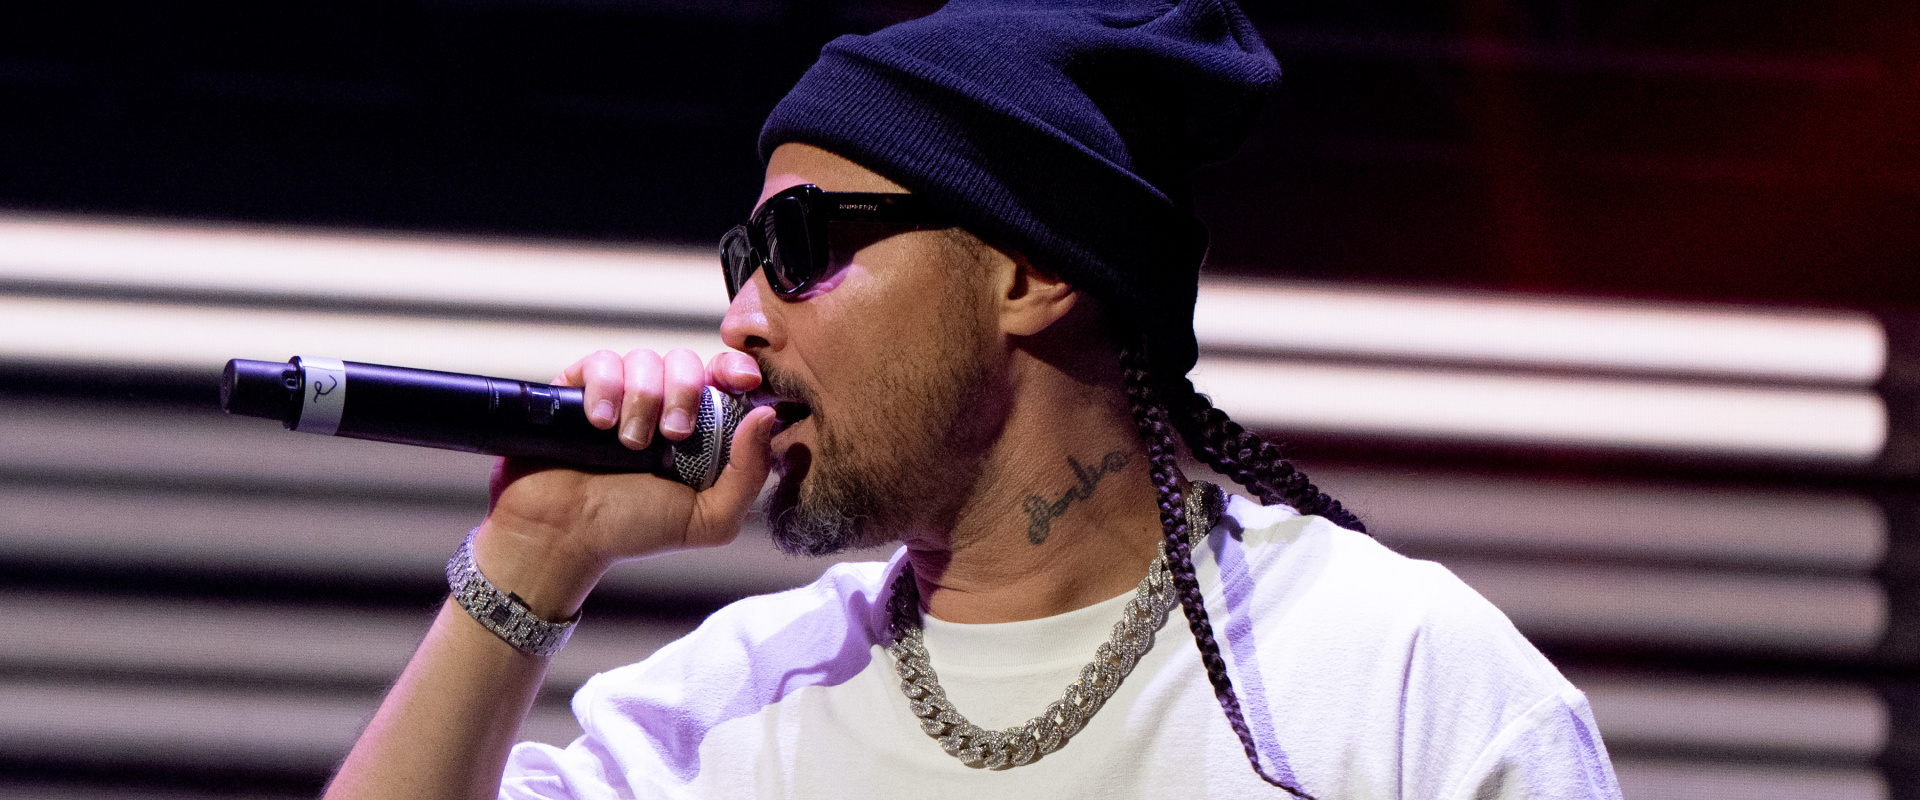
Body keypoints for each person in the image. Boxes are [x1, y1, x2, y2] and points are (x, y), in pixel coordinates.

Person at [324, 1, 1621, 797]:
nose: (739, 317)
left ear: (1031, 270)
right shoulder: (734, 706)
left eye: (802, 247)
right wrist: (532, 560)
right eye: (738, 264)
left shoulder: (1395, 677)